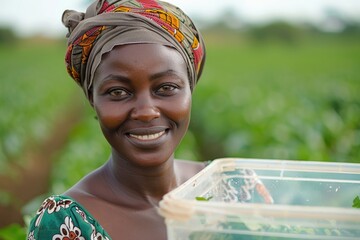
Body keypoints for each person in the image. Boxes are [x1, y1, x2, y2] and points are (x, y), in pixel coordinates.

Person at [27, 0, 206, 239]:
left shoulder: (223, 186)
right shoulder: (67, 223)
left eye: (166, 87)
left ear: (190, 90)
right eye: (118, 92)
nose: (146, 112)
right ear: (92, 99)